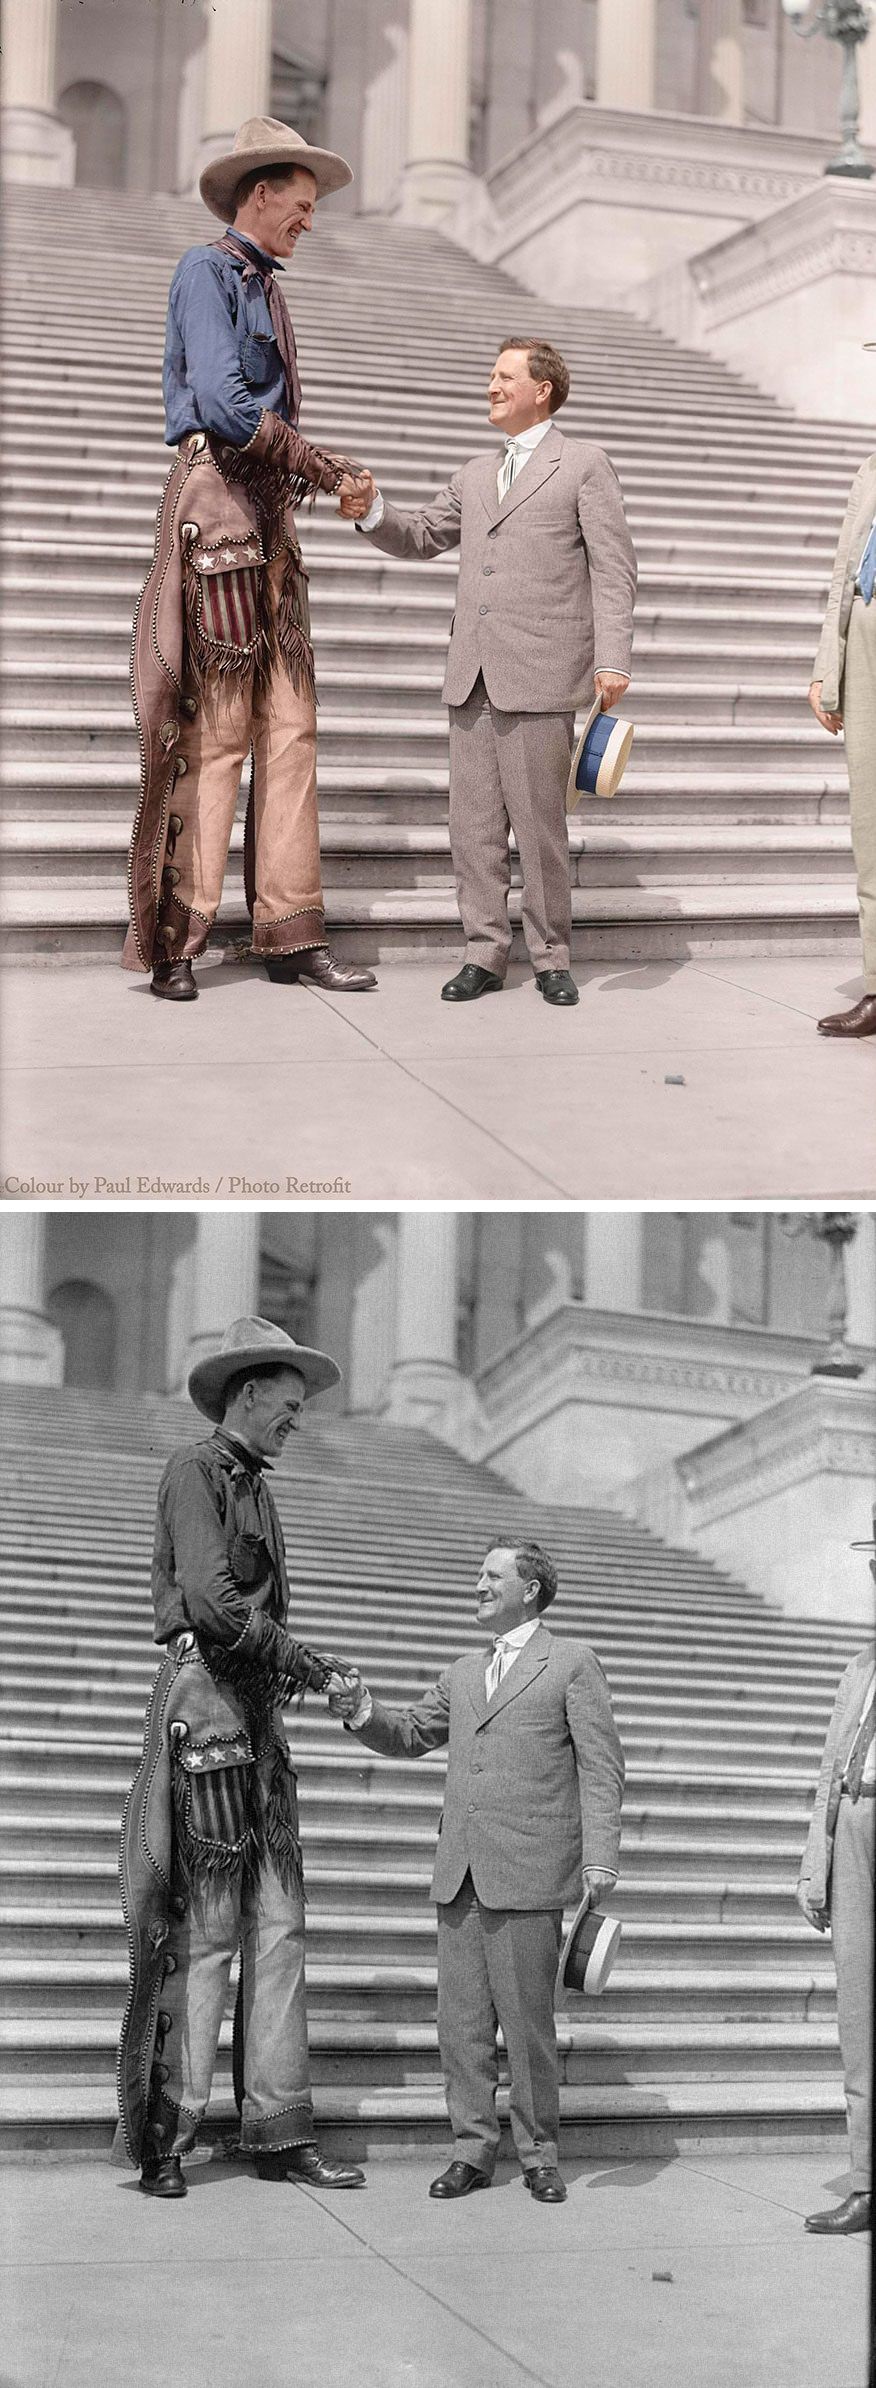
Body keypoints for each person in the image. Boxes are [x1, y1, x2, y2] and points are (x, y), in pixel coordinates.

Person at [123, 116, 377, 1002]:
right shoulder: (207, 270)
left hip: (269, 520)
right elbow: (228, 408)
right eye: (300, 205)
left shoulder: (266, 285)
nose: (309, 220)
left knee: (292, 731)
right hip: (222, 514)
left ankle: (290, 932)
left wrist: (306, 472)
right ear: (258, 194)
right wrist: (323, 464)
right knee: (219, 733)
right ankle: (179, 945)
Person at [116, 1317, 366, 2197]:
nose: (297, 1420)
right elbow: (216, 1606)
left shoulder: (258, 1487)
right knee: (210, 1930)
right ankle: (167, 2141)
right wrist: (310, 1664)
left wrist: (292, 1670)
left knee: (280, 1928)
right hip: (210, 1711)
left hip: (256, 1717)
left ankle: (279, 2130)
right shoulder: (195, 1470)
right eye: (289, 1405)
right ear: (249, 1394)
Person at [340, 338, 636, 1007]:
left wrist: (612, 655)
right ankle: (484, 951)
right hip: (471, 672)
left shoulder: (584, 464)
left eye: (505, 376)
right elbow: (420, 536)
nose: (491, 385)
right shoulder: (475, 473)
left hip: (542, 670)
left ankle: (552, 955)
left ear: (544, 390)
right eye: (490, 375)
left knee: (539, 828)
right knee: (471, 828)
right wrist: (373, 510)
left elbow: (613, 569)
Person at [330, 1537, 624, 2201]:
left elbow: (600, 1766)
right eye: (479, 1575)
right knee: (460, 2028)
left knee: (527, 2030)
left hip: (530, 1872)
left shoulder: (572, 1662)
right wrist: (359, 1708)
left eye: (493, 1576)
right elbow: (407, 1733)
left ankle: (539, 2155)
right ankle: (471, 2152)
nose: (479, 1585)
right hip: (460, 1872)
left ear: (531, 1590)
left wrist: (600, 1853)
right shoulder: (463, 1672)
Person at [796, 1514, 876, 2234]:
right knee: (860, 2014)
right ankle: (868, 2183)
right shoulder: (860, 1666)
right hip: (854, 1826)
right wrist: (812, 1865)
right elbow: (829, 1771)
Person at [809, 444, 876, 1037]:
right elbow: (843, 574)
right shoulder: (871, 468)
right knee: (871, 828)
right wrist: (828, 667)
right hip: (865, 642)